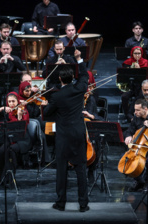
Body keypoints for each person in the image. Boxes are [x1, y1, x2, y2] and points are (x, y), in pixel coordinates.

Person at [43, 62, 90, 212]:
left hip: (64, 136)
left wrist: (46, 104)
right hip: (78, 132)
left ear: (60, 78)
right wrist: (80, 60)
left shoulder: (57, 96)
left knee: (62, 169)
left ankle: (61, 203)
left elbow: (47, 113)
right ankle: (83, 204)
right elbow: (84, 76)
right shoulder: (79, 89)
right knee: (81, 168)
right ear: (72, 78)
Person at [0, 92, 32, 183]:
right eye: (9, 102)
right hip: (11, 138)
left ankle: (10, 176)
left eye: (13, 101)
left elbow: (23, 126)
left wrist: (19, 116)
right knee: (0, 152)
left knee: (10, 151)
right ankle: (2, 178)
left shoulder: (23, 110)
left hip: (22, 139)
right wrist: (2, 108)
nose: (12, 103)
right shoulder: (8, 112)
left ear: (18, 101)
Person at [0, 41, 26, 109]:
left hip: (13, 83)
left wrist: (13, 60)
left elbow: (22, 68)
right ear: (1, 50)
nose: (6, 51)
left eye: (7, 49)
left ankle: (13, 108)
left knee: (16, 92)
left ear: (11, 49)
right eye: (4, 49)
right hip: (0, 83)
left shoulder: (15, 58)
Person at [121, 46, 148, 123]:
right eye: (135, 53)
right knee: (124, 96)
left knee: (139, 96)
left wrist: (139, 70)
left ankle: (132, 116)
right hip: (131, 86)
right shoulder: (127, 62)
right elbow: (123, 76)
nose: (137, 55)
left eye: (139, 53)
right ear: (132, 53)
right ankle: (127, 115)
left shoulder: (145, 63)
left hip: (141, 86)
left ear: (142, 54)